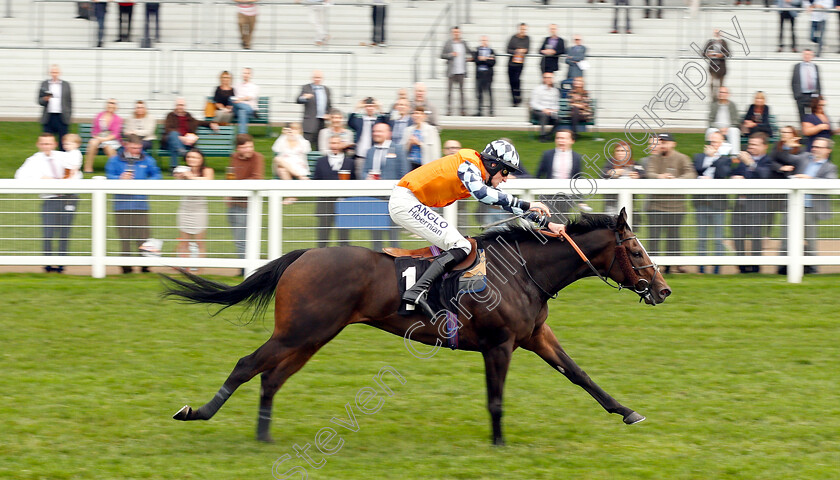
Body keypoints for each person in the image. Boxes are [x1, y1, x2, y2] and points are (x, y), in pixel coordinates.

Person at [389, 139, 564, 316]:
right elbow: (482, 194)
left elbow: (508, 204)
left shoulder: (475, 169)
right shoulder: (468, 164)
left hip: (410, 201)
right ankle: (417, 291)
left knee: (459, 244)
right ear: (493, 164)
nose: (505, 178)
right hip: (405, 202)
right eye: (505, 171)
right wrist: (527, 204)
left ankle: (428, 290)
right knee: (461, 246)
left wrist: (548, 224)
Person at [14, 133, 80, 273]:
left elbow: (77, 172)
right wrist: (42, 178)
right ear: (38, 144)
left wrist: (69, 179)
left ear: (55, 144)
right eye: (43, 144)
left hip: (69, 197)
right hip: (50, 198)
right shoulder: (33, 160)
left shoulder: (64, 156)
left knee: (64, 232)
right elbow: (19, 176)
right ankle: (48, 264)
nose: (46, 146)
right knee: (48, 232)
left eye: (49, 143)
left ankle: (62, 264)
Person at [105, 134, 162, 274]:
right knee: (124, 236)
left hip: (140, 204)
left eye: (139, 148)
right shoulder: (115, 160)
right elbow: (108, 176)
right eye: (134, 147)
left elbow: (157, 174)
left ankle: (145, 266)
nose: (137, 150)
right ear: (126, 145)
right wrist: (119, 178)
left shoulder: (147, 160)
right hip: (121, 205)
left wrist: (144, 184)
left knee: (143, 236)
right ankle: (126, 267)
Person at [644, 133, 696, 274]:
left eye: (665, 142)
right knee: (654, 237)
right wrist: (660, 177)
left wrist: (676, 180)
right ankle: (652, 265)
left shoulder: (682, 158)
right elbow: (649, 173)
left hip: (676, 206)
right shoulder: (654, 159)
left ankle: (673, 265)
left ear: (673, 143)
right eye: (661, 142)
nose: (663, 145)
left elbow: (691, 174)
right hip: (656, 206)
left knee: (673, 236)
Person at [792, 137, 838, 272]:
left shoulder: (830, 167)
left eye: (819, 147)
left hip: (811, 207)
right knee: (790, 237)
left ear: (827, 151)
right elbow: (787, 158)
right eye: (814, 146)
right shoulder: (805, 158)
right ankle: (788, 266)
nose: (814, 149)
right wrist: (787, 147)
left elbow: (830, 182)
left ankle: (812, 267)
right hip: (795, 205)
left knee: (809, 238)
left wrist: (809, 179)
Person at [692, 130, 733, 274]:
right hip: (701, 203)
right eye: (711, 141)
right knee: (701, 237)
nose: (713, 144)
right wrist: (708, 161)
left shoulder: (725, 159)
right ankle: (701, 268)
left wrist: (713, 159)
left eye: (717, 142)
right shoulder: (699, 157)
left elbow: (723, 174)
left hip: (718, 204)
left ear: (722, 144)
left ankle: (717, 268)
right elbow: (696, 171)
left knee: (718, 238)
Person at [731, 133, 773, 273]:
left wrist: (750, 163)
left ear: (764, 146)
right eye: (750, 144)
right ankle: (741, 267)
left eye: (755, 144)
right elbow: (734, 173)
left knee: (756, 237)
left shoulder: (767, 160)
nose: (751, 147)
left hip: (757, 206)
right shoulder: (743, 160)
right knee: (738, 236)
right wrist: (735, 176)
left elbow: (765, 175)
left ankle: (755, 267)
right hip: (739, 205)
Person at [365, 122, 408, 252]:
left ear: (389, 133)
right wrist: (367, 177)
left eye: (380, 131)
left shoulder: (398, 149)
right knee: (375, 231)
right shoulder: (370, 151)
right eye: (375, 131)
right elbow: (364, 170)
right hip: (374, 197)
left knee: (393, 231)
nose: (376, 134)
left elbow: (404, 173)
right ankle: (377, 257)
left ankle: (396, 257)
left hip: (393, 198)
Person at [227, 134, 265, 264]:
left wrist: (238, 184)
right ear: (238, 148)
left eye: (250, 146)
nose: (249, 149)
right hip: (232, 203)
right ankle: (243, 266)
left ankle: (246, 268)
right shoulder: (234, 157)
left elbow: (257, 178)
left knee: (244, 238)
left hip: (248, 205)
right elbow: (230, 177)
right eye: (245, 147)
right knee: (238, 238)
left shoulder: (258, 158)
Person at [174, 148, 214, 269]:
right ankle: (185, 269)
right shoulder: (182, 170)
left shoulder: (207, 170)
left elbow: (209, 181)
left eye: (195, 157)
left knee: (200, 242)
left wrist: (191, 177)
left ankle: (199, 269)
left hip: (199, 209)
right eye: (190, 157)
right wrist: (179, 177)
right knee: (183, 241)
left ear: (201, 159)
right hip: (185, 208)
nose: (192, 160)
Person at [313, 135, 356, 247]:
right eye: (332, 143)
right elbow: (315, 181)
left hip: (344, 204)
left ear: (341, 145)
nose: (334, 146)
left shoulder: (350, 162)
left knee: (344, 236)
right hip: (325, 203)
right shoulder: (320, 162)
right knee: (323, 236)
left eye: (337, 143)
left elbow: (354, 181)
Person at [164, 98, 219, 172]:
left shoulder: (188, 116)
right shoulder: (170, 116)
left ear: (184, 106)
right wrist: (181, 138)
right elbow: (168, 129)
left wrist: (211, 123)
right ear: (175, 106)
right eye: (178, 105)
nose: (180, 107)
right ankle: (182, 152)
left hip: (187, 143)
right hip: (171, 141)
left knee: (174, 146)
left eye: (182, 105)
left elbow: (199, 122)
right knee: (174, 135)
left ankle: (174, 168)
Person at [348, 97, 388, 179]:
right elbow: (350, 123)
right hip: (360, 157)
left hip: (375, 156)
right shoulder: (360, 120)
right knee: (360, 178)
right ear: (364, 108)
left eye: (372, 106)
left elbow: (387, 123)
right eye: (367, 106)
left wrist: (380, 108)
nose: (370, 108)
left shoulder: (378, 121)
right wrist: (357, 108)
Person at [83, 98, 122, 173]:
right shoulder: (99, 115)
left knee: (108, 147)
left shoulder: (117, 119)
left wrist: (103, 139)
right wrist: (97, 138)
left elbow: (115, 134)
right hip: (99, 137)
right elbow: (94, 130)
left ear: (116, 107)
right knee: (92, 143)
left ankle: (116, 169)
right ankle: (87, 168)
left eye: (114, 103)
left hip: (111, 139)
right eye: (110, 103)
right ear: (106, 104)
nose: (111, 105)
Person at [38, 65, 73, 149]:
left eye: (56, 72)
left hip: (62, 116)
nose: (54, 74)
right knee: (48, 140)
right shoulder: (44, 84)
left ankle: (63, 160)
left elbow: (69, 101)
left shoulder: (66, 85)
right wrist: (45, 99)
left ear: (59, 73)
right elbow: (39, 100)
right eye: (53, 72)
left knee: (63, 141)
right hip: (49, 116)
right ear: (50, 73)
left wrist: (68, 115)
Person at [440, 26, 471, 117]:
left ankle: (462, 110)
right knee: (449, 92)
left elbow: (470, 51)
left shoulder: (463, 43)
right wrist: (451, 55)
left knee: (462, 92)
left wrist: (472, 58)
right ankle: (449, 110)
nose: (456, 34)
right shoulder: (448, 43)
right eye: (454, 32)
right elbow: (442, 55)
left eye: (457, 32)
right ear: (452, 33)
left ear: (460, 33)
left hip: (461, 71)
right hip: (451, 71)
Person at [297, 70, 332, 146]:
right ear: (312, 78)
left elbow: (329, 105)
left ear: (322, 78)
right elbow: (298, 100)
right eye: (316, 77)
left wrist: (328, 114)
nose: (317, 79)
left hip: (322, 120)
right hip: (310, 120)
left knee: (320, 142)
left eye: (319, 78)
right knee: (306, 143)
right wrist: (304, 97)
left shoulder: (326, 90)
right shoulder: (306, 88)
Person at [706, 86, 740, 153]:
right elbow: (710, 120)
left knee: (734, 130)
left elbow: (736, 121)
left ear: (728, 94)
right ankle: (712, 153)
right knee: (711, 130)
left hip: (729, 128)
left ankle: (734, 155)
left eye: (724, 92)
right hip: (716, 128)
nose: (722, 94)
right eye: (720, 92)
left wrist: (727, 128)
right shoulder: (714, 105)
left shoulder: (732, 105)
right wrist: (719, 129)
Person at [792, 49, 821, 121]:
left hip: (813, 96)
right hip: (801, 96)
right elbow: (793, 81)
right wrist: (796, 95)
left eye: (809, 54)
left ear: (812, 56)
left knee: (813, 116)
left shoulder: (815, 67)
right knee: (802, 117)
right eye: (805, 54)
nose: (807, 56)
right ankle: (804, 131)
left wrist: (818, 95)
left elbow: (818, 82)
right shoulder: (797, 67)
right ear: (802, 55)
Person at [530, 72, 560, 142]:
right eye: (546, 77)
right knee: (544, 115)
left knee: (559, 119)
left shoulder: (555, 91)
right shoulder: (537, 89)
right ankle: (542, 136)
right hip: (538, 111)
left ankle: (549, 134)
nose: (548, 79)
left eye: (550, 78)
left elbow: (556, 104)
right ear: (543, 79)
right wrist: (544, 109)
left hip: (551, 112)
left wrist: (554, 110)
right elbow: (533, 103)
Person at [506, 23, 530, 107]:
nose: (523, 31)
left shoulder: (527, 38)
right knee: (511, 81)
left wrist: (521, 50)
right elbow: (508, 49)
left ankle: (518, 96)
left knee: (517, 80)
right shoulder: (513, 38)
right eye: (522, 29)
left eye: (524, 29)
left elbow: (527, 50)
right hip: (511, 63)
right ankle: (514, 99)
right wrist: (517, 51)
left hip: (520, 63)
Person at [702, 29, 731, 99]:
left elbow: (728, 53)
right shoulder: (710, 42)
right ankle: (713, 97)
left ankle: (720, 98)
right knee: (712, 83)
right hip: (713, 67)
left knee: (721, 84)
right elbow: (703, 53)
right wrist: (708, 55)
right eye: (716, 33)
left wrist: (721, 55)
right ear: (714, 34)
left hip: (722, 67)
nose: (717, 34)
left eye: (718, 33)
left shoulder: (724, 42)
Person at [473, 35, 496, 116]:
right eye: (482, 40)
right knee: (479, 93)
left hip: (488, 75)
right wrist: (486, 59)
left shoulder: (491, 51)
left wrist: (483, 59)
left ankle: (491, 110)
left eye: (485, 40)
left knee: (489, 93)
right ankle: (479, 110)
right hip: (479, 74)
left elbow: (492, 63)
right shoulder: (477, 51)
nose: (484, 42)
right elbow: (476, 61)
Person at [233, 67, 259, 134]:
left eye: (248, 73)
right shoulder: (237, 86)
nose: (246, 75)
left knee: (242, 111)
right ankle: (243, 135)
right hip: (237, 109)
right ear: (242, 74)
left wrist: (240, 100)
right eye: (244, 73)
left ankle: (242, 134)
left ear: (251, 75)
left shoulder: (254, 87)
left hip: (249, 110)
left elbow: (250, 97)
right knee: (231, 99)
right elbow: (234, 99)